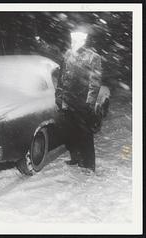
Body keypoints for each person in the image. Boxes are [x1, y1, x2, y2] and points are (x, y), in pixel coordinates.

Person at [55, 27, 102, 172]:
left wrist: (89, 102)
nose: (73, 42)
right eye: (72, 39)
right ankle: (75, 157)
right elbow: (62, 78)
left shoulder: (93, 57)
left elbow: (95, 83)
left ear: (83, 40)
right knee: (70, 132)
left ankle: (89, 165)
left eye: (76, 40)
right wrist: (59, 96)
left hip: (82, 102)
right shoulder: (68, 54)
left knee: (85, 134)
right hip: (68, 101)